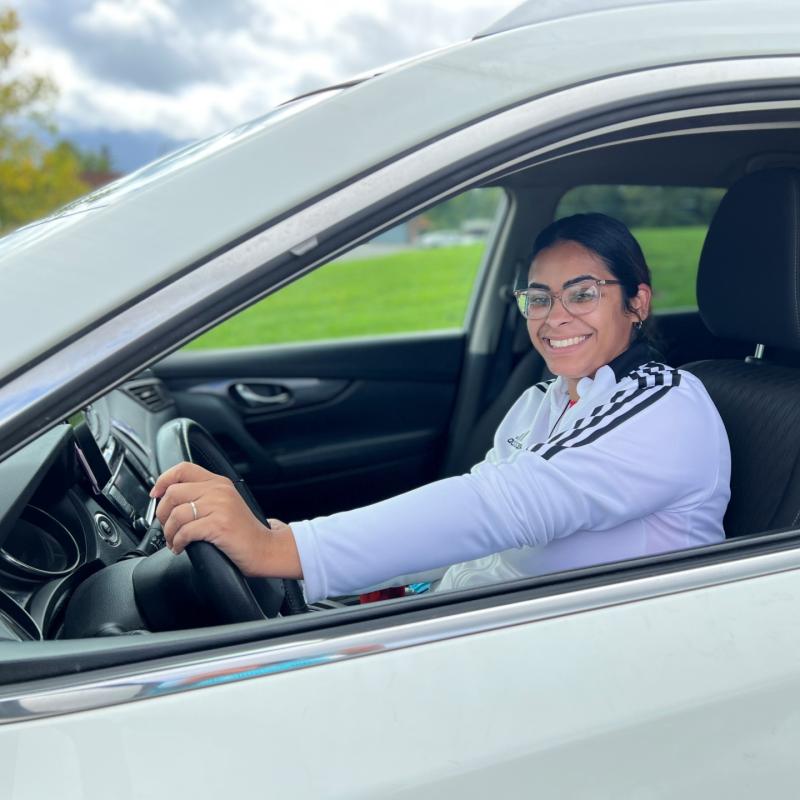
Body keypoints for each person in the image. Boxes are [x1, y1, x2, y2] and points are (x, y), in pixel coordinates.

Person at [151, 213, 731, 603]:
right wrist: (318, 577)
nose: (554, 317)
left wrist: (283, 549)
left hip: (605, 653)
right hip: (493, 623)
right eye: (538, 297)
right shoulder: (544, 400)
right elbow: (474, 537)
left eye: (583, 294)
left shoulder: (664, 408)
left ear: (637, 301)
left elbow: (497, 510)